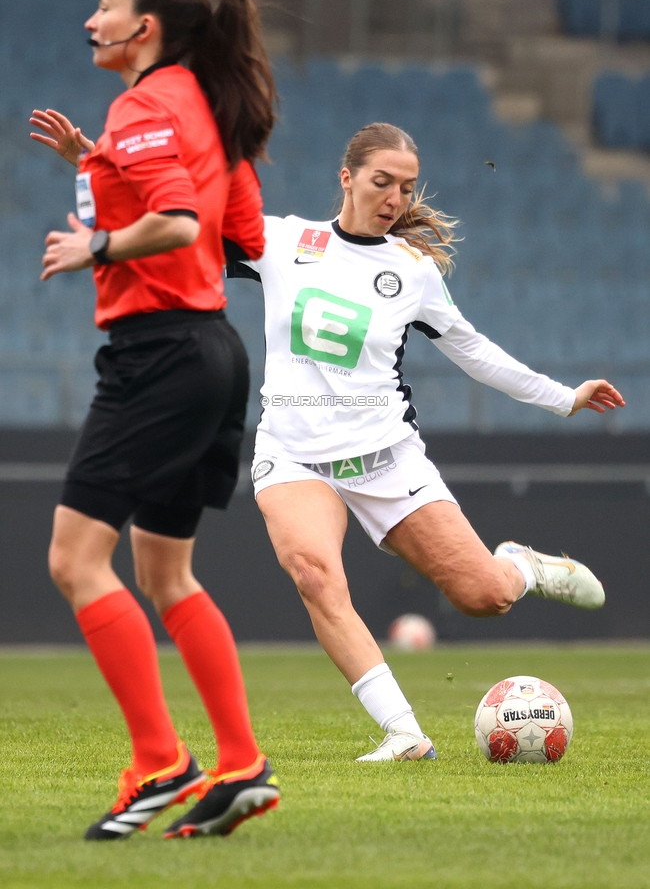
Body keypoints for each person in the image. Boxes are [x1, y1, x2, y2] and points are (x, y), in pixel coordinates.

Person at [229, 122, 625, 763]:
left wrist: (563, 396)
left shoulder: (411, 271)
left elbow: (473, 350)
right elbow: (181, 229)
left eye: (406, 188)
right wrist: (97, 166)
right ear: (347, 177)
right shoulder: (281, 240)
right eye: (382, 181)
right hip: (293, 452)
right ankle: (405, 733)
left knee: (484, 597)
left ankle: (525, 565)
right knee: (314, 575)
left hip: (386, 457)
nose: (394, 198)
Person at [29, 0, 280, 840]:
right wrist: (100, 163)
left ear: (146, 28)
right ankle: (242, 761)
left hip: (159, 356)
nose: (90, 22)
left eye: (104, 8)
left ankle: (160, 761)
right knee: (165, 574)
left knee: (73, 562)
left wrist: (92, 249)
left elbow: (176, 221)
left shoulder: (143, 102)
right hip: (213, 349)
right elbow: (238, 232)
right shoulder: (202, 108)